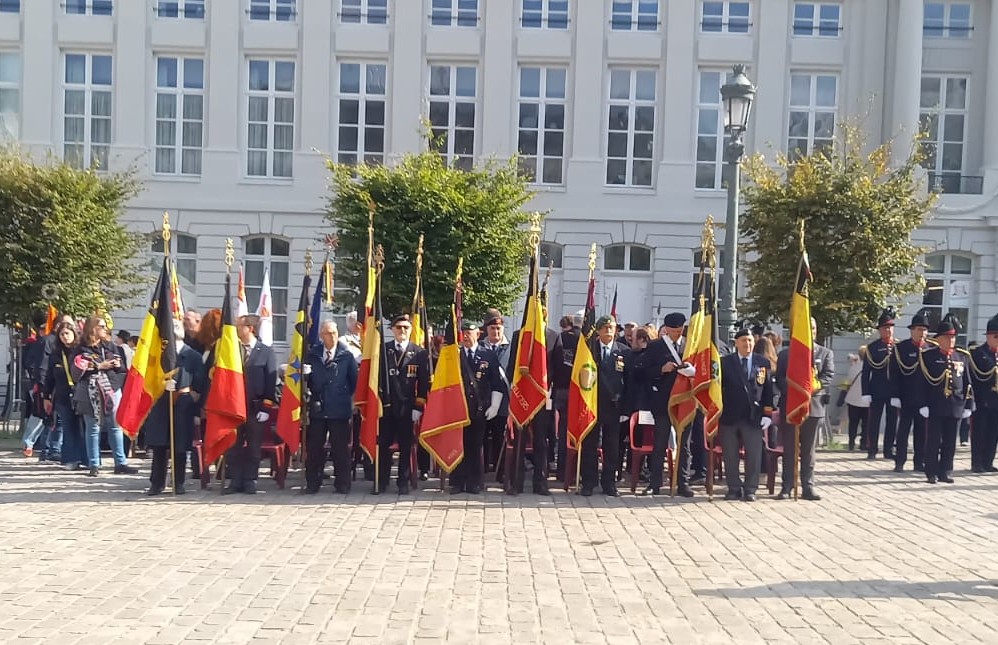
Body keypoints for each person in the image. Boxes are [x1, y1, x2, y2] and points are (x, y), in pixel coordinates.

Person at [775, 317, 834, 501]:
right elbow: (780, 378)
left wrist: (810, 388)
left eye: (814, 328)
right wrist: (794, 393)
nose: (812, 331)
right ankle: (787, 487)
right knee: (789, 449)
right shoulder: (786, 354)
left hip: (813, 407)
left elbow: (828, 376)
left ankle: (808, 486)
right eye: (808, 328)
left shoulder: (825, 353)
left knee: (808, 451)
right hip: (792, 407)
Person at [70, 316, 136, 477]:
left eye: (105, 326)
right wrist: (99, 366)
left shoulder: (111, 346)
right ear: (92, 328)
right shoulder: (81, 348)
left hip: (111, 390)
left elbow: (122, 372)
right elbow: (76, 371)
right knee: (93, 428)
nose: (104, 328)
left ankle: (120, 463)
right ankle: (94, 464)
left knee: (115, 427)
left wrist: (116, 376)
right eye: (101, 326)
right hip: (89, 391)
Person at [146, 318, 206, 496]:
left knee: (180, 446)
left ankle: (178, 482)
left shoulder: (193, 356)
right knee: (159, 446)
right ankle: (156, 483)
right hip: (161, 402)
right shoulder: (158, 354)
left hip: (183, 403)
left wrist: (192, 398)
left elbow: (200, 383)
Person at [642, 312, 696, 497]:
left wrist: (692, 371)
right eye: (673, 330)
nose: (676, 334)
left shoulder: (690, 345)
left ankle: (683, 482)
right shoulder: (656, 346)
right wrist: (661, 369)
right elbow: (643, 372)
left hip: (685, 401)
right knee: (659, 443)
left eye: (679, 330)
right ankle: (655, 483)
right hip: (663, 401)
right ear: (666, 329)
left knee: (684, 445)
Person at [302, 320, 358, 494]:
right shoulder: (313, 354)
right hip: (318, 409)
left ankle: (342, 484)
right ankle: (313, 483)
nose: (332, 337)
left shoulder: (346, 355)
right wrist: (304, 376)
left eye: (334, 333)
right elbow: (306, 383)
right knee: (315, 449)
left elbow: (353, 382)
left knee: (340, 449)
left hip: (338, 409)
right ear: (321, 335)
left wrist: (349, 402)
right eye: (328, 333)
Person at [718, 328, 774, 502]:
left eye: (750, 341)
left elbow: (768, 391)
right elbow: (717, 389)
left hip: (753, 416)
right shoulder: (725, 362)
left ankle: (750, 488)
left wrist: (768, 413)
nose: (747, 344)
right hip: (730, 415)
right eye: (744, 341)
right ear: (736, 343)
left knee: (754, 454)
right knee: (730, 454)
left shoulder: (762, 362)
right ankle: (733, 488)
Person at [224, 314, 277, 494]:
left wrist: (266, 407)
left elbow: (271, 381)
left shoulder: (266, 351)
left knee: (254, 447)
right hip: (235, 406)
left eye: (240, 326)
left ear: (250, 329)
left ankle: (250, 480)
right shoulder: (233, 350)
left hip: (255, 407)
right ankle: (235, 480)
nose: (237, 330)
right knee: (233, 446)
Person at [376, 314, 429, 495]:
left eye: (406, 327)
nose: (402, 331)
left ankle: (403, 482)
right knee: (383, 445)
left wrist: (419, 406)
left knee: (406, 446)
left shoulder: (419, 353)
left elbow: (423, 383)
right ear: (392, 330)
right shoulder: (383, 350)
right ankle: (381, 481)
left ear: (411, 330)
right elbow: (376, 380)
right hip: (387, 406)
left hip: (407, 406)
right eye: (398, 327)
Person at [916, 314, 971, 484]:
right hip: (936, 404)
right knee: (933, 441)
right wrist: (923, 404)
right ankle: (931, 471)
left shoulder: (962, 356)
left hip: (955, 404)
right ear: (939, 339)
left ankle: (946, 471)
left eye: (953, 338)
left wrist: (969, 404)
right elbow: (921, 383)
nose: (951, 341)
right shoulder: (928, 356)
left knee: (950, 442)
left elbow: (968, 382)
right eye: (947, 338)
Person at [451, 320, 504, 494]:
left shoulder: (488, 355)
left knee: (476, 445)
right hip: (458, 407)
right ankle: (457, 482)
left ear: (478, 334)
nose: (466, 336)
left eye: (470, 332)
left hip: (480, 408)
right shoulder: (454, 355)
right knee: (458, 445)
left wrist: (495, 405)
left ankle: (474, 482)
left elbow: (497, 383)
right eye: (464, 332)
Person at [580, 315, 629, 497]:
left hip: (614, 406)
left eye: (612, 327)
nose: (609, 331)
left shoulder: (623, 351)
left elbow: (629, 382)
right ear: (598, 331)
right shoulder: (589, 350)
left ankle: (609, 483)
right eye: (605, 328)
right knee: (590, 445)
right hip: (592, 403)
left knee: (612, 446)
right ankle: (589, 482)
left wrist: (626, 409)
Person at [892, 310, 931, 472]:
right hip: (906, 396)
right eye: (919, 329)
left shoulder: (930, 348)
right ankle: (900, 461)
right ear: (912, 330)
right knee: (903, 431)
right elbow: (893, 373)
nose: (922, 333)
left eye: (925, 329)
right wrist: (895, 395)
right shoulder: (901, 348)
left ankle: (919, 461)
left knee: (921, 432)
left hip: (924, 398)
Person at [43, 322, 85, 470]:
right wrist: (46, 396)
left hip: (82, 395)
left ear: (74, 333)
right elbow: (49, 376)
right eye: (62, 334)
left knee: (83, 427)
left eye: (67, 333)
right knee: (68, 428)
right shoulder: (56, 354)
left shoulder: (81, 351)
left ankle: (87, 459)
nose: (65, 337)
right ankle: (70, 459)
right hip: (63, 396)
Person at [860, 307, 898, 460]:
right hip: (877, 389)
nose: (888, 331)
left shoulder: (898, 347)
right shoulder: (873, 348)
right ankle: (872, 449)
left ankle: (889, 449)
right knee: (873, 421)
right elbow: (866, 372)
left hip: (894, 390)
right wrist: (865, 392)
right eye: (885, 328)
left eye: (890, 328)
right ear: (880, 330)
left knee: (892, 421)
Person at [480, 313, 511, 475]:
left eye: (498, 328)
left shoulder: (511, 348)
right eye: (492, 328)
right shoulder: (479, 348)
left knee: (500, 437)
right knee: (482, 436)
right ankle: (483, 470)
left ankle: (501, 472)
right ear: (487, 330)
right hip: (484, 399)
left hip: (504, 401)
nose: (496, 332)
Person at [968, 314, 998, 473]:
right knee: (979, 432)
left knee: (993, 433)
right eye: (996, 335)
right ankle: (977, 463)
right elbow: (976, 377)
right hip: (982, 400)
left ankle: (988, 461)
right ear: (988, 336)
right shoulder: (978, 353)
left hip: (996, 401)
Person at [842, 353, 868, 451]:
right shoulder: (873, 368)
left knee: (853, 423)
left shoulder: (854, 368)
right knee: (866, 424)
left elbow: (848, 381)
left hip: (853, 399)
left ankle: (851, 442)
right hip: (867, 400)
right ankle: (864, 443)